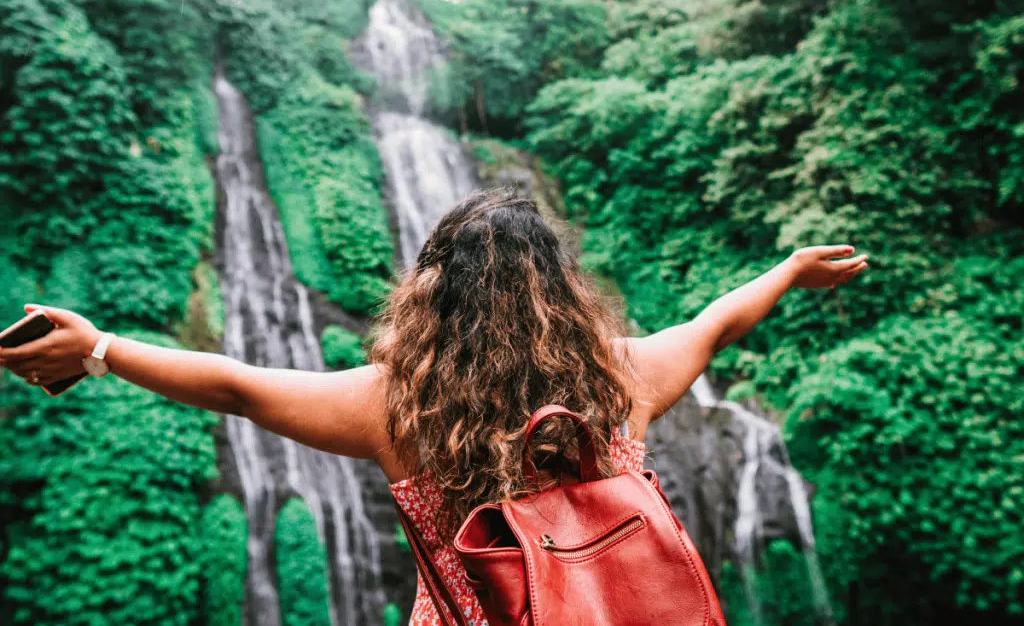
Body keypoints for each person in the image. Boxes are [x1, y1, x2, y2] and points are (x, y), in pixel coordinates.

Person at [0, 188, 867, 625]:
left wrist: (101, 348)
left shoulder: (396, 406)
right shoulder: (621, 377)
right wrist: (790, 269)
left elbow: (235, 382)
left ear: (431, 294)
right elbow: (716, 322)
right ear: (562, 292)